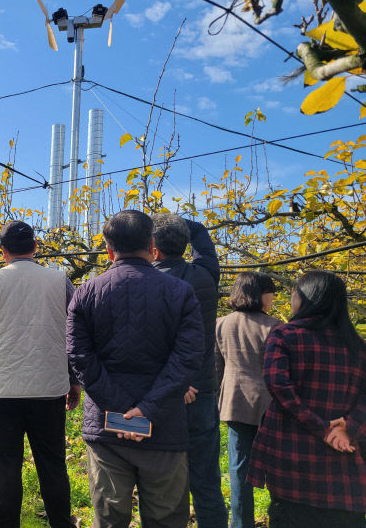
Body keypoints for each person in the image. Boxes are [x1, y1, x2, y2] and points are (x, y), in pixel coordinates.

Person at [67, 210, 205, 528]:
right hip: (164, 425)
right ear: (152, 244)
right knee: (167, 517)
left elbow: (79, 357)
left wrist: (121, 409)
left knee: (110, 516)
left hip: (107, 425)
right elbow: (188, 356)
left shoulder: (86, 293)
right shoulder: (180, 292)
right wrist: (146, 410)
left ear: (107, 248)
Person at [0, 220, 80, 528]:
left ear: (3, 252)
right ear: (35, 247)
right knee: (53, 463)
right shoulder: (59, 280)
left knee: (5, 466)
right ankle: (61, 523)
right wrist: (74, 378)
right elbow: (74, 331)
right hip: (49, 385)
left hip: (1, 388)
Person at [248, 271, 366, 528]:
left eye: (294, 294)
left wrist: (322, 428)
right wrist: (350, 427)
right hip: (343, 463)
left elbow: (279, 388)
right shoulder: (357, 346)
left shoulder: (285, 336)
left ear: (306, 299)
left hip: (291, 458)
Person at [151, 213, 228, 528]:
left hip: (157, 394)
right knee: (206, 480)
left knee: (161, 482)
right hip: (201, 390)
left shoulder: (142, 282)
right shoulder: (205, 276)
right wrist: (184, 223)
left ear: (152, 247)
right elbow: (205, 246)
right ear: (184, 244)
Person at [216, 272, 281, 528]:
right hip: (270, 407)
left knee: (238, 469)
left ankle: (240, 524)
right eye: (271, 292)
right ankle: (280, 519)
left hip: (235, 404)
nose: (274, 298)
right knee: (277, 469)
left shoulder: (220, 324)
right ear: (260, 294)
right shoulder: (275, 326)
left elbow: (217, 369)